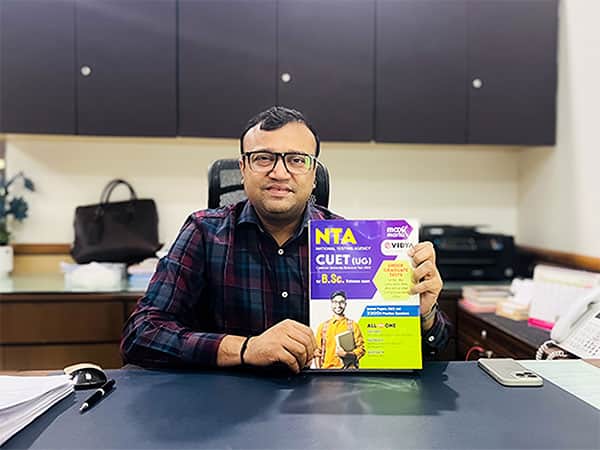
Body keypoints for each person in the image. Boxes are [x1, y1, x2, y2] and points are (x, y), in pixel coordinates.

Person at [121, 106, 449, 373]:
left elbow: (433, 349)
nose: (279, 173)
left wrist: (423, 315)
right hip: (224, 408)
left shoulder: (354, 243)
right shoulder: (204, 232)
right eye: (263, 158)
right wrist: (246, 348)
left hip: (327, 409)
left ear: (314, 173)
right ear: (243, 168)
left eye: (296, 160)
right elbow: (141, 334)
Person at [314, 290, 365, 369]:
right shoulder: (323, 327)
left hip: (347, 372)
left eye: (341, 302)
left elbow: (361, 349)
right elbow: (317, 352)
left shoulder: (353, 326)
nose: (338, 305)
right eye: (335, 302)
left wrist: (346, 355)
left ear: (345, 304)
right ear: (331, 304)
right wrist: (318, 372)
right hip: (327, 372)